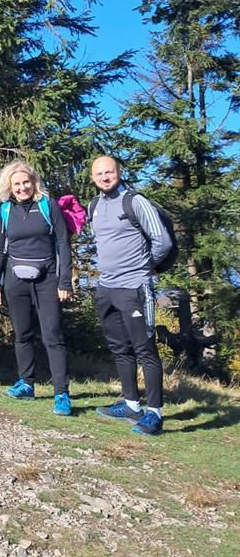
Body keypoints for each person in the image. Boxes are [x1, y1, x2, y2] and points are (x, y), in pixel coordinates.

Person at [88, 155, 171, 436]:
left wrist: (146, 266)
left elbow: (162, 241)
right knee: (119, 348)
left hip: (135, 287)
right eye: (99, 174)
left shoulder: (135, 201)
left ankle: (154, 413)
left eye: (109, 172)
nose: (105, 177)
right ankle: (131, 404)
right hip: (106, 287)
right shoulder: (94, 205)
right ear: (93, 178)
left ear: (119, 172)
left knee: (145, 349)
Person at [0, 160, 73, 415]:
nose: (22, 187)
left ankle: (61, 394)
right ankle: (26, 383)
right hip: (15, 280)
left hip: (47, 279)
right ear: (9, 186)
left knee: (52, 336)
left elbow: (63, 243)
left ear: (34, 182)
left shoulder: (48, 206)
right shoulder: (4, 211)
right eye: (17, 184)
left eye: (26, 182)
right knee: (22, 334)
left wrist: (64, 281)